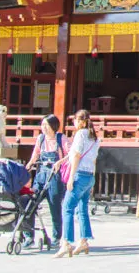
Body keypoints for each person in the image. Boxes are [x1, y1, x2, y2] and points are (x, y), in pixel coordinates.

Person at [53, 109, 101, 258]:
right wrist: (62, 161)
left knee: (67, 207)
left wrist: (71, 177)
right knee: (82, 208)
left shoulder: (80, 134)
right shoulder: (94, 137)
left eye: (75, 120)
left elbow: (77, 156)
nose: (74, 123)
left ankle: (66, 242)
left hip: (79, 175)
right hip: (89, 175)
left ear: (80, 121)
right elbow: (92, 158)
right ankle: (83, 240)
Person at [27, 114, 68, 245]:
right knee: (30, 204)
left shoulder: (61, 138)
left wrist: (60, 162)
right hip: (41, 175)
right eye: (42, 124)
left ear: (54, 126)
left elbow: (71, 155)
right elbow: (35, 156)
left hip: (55, 176)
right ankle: (29, 235)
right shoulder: (40, 139)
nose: (43, 127)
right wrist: (26, 167)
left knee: (54, 206)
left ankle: (56, 236)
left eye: (47, 125)